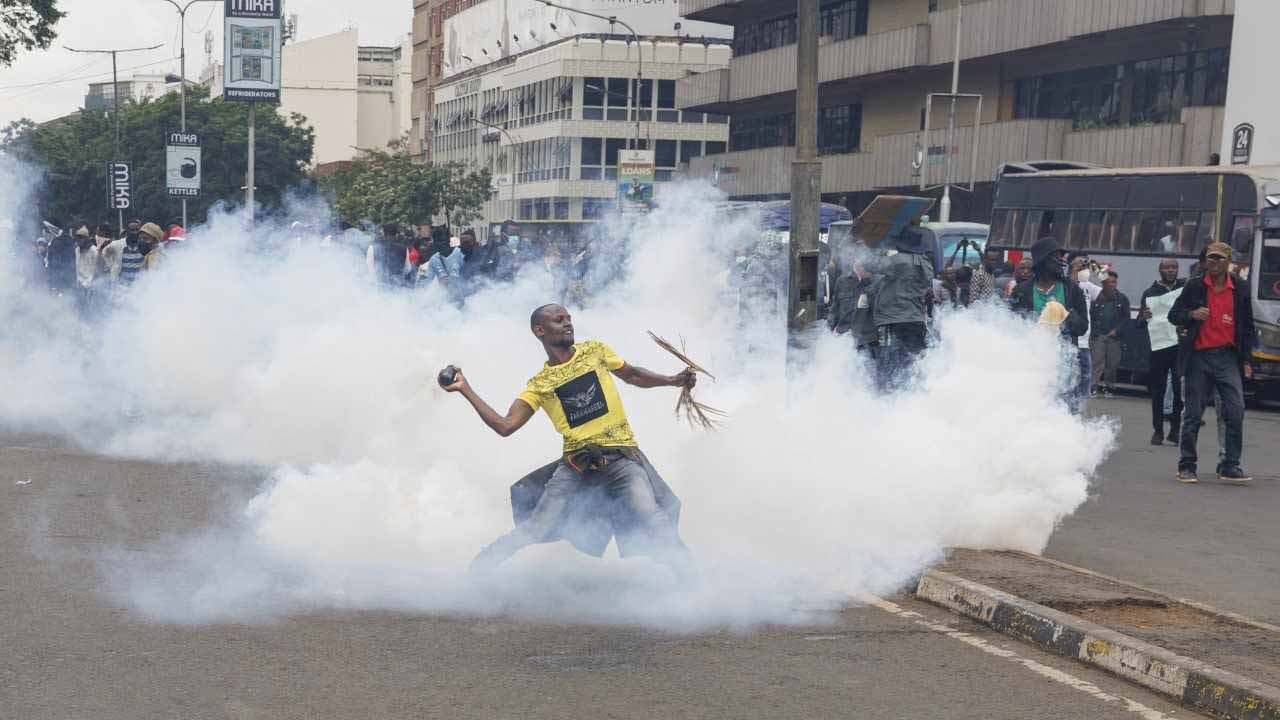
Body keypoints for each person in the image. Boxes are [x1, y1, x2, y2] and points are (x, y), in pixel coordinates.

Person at [443, 304, 695, 577]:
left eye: (569, 319)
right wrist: (465, 389)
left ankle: (689, 579)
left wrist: (673, 380)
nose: (568, 324)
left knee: (653, 516)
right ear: (540, 330)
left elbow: (632, 375)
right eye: (559, 320)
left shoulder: (595, 351)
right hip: (576, 465)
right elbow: (505, 426)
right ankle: (483, 564)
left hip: (621, 458)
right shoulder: (540, 383)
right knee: (536, 526)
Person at [1169, 242, 1255, 484]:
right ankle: (1186, 465)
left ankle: (1229, 465)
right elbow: (1173, 315)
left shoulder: (1239, 288)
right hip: (1199, 357)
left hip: (1228, 357)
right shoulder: (1195, 286)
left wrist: (1247, 360)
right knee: (1194, 413)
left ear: (1229, 261)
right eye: (1210, 258)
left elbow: (1247, 327)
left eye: (1218, 259)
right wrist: (1192, 314)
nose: (1213, 263)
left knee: (1235, 410)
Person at [1010, 237, 1090, 408]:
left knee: (1064, 409)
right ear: (1042, 260)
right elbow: (1011, 327)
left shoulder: (1071, 289)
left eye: (1061, 257)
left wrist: (1066, 315)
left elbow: (1083, 327)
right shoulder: (1022, 291)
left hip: (1065, 364)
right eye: (1055, 257)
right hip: (1032, 363)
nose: (1061, 262)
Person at [864, 226, 934, 390]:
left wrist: (868, 247)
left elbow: (871, 264)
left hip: (893, 319)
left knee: (889, 360)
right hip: (915, 318)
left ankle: (890, 393)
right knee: (914, 361)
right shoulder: (925, 264)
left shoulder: (900, 261)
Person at [1140, 258, 1186, 445]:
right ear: (1160, 270)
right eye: (1166, 267)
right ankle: (1157, 430)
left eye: (1173, 267)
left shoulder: (1184, 289)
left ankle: (1175, 429)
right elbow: (1140, 322)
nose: (1170, 270)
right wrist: (1144, 317)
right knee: (1158, 390)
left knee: (1178, 388)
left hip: (1179, 346)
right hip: (1159, 347)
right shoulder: (1150, 293)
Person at [1089, 270, 1130, 398]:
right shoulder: (1096, 296)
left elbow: (1126, 318)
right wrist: (1093, 331)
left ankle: (1109, 387)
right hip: (1098, 335)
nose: (1112, 284)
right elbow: (1091, 316)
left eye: (1114, 282)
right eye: (1108, 282)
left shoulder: (1122, 298)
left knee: (1112, 364)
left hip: (1114, 337)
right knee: (1097, 362)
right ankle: (1093, 387)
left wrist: (1117, 330)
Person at [1070, 254, 1102, 408]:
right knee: (1067, 383)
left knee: (1085, 382)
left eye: (1085, 267)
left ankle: (1076, 416)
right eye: (1080, 267)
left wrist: (1098, 268)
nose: (1084, 270)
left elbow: (1109, 290)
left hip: (1084, 346)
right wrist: (1074, 274)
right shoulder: (1065, 285)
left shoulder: (1088, 286)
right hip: (1069, 343)